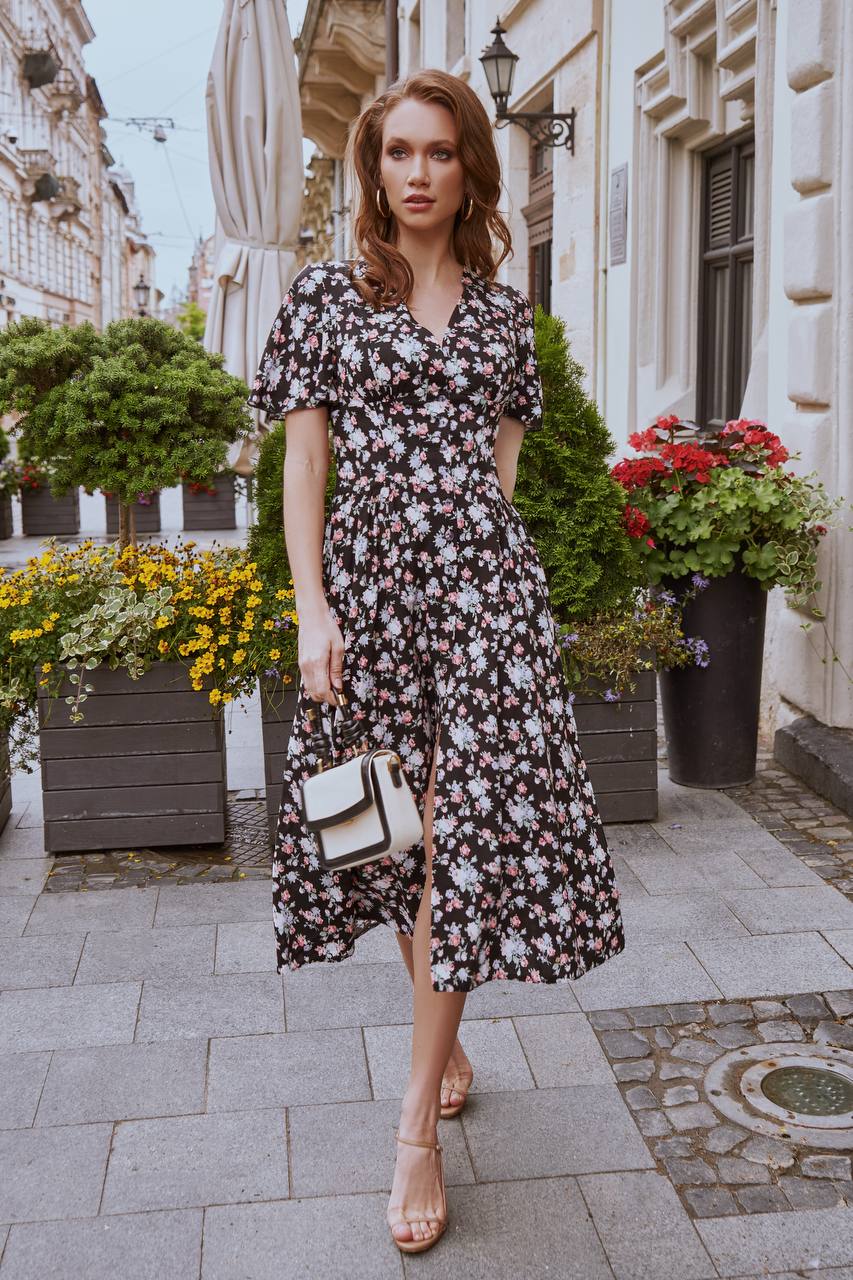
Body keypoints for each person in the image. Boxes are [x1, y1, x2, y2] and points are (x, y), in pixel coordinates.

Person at [247, 68, 625, 1256]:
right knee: (389, 830)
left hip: (483, 601)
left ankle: (414, 1125)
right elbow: (303, 470)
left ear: (471, 170)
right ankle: (441, 1032)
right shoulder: (322, 296)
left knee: (456, 844)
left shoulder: (507, 315)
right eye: (398, 151)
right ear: (374, 165)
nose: (416, 172)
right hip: (365, 595)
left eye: (440, 152)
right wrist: (314, 610)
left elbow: (501, 475)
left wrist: (490, 593)